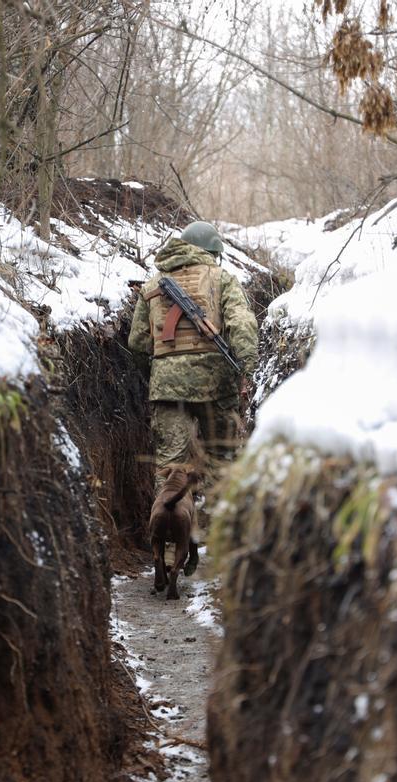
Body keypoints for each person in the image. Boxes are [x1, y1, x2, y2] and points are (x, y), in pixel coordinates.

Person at [128, 221, 258, 574]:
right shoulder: (221, 277)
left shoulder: (153, 283)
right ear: (212, 251)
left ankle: (168, 549)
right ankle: (215, 541)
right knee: (220, 458)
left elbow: (138, 344)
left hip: (167, 387)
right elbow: (242, 323)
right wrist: (247, 367)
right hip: (216, 384)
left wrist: (159, 373)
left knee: (171, 467)